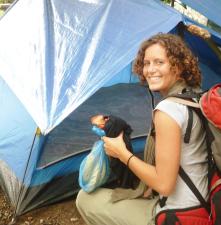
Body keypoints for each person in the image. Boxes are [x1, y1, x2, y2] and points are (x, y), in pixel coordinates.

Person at [76, 33, 208, 225]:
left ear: (177, 66)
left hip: (181, 215)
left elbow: (164, 184)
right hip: (203, 203)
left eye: (159, 62)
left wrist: (122, 154)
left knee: (85, 199)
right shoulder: (196, 97)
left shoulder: (167, 112)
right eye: (146, 63)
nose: (150, 70)